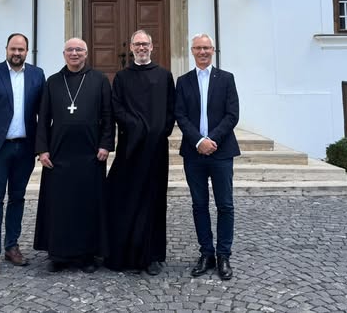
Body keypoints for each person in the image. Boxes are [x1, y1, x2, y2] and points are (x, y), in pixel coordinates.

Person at [33, 37, 114, 273]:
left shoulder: (99, 80)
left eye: (79, 50)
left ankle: (87, 255)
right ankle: (58, 255)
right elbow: (43, 118)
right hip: (59, 154)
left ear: (86, 54)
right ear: (64, 54)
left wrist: (106, 145)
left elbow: (108, 116)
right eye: (70, 50)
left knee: (87, 205)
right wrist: (42, 149)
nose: (74, 53)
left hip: (90, 154)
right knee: (59, 206)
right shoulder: (53, 82)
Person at [0, 33, 45, 275]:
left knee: (17, 198)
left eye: (21, 49)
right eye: (13, 49)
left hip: (24, 147)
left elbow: (43, 112)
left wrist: (42, 146)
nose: (17, 53)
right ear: (6, 49)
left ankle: (12, 247)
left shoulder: (37, 75)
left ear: (27, 51)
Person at [105, 30, 175, 275]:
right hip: (130, 148)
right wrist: (136, 127)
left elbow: (171, 109)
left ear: (152, 47)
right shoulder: (122, 78)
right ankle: (124, 254)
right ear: (131, 48)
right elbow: (116, 107)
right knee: (125, 198)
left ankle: (152, 255)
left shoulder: (164, 76)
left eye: (145, 44)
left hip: (156, 149)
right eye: (137, 44)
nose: (141, 48)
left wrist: (160, 131)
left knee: (154, 201)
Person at [175, 33, 240, 280]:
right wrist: (199, 141)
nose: (202, 52)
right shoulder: (183, 81)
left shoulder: (226, 79)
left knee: (225, 205)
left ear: (213, 50)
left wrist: (212, 139)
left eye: (206, 48)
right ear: (192, 51)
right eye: (198, 48)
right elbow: (180, 115)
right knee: (199, 205)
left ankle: (223, 255)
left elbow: (232, 114)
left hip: (221, 151)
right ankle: (206, 253)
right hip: (193, 153)